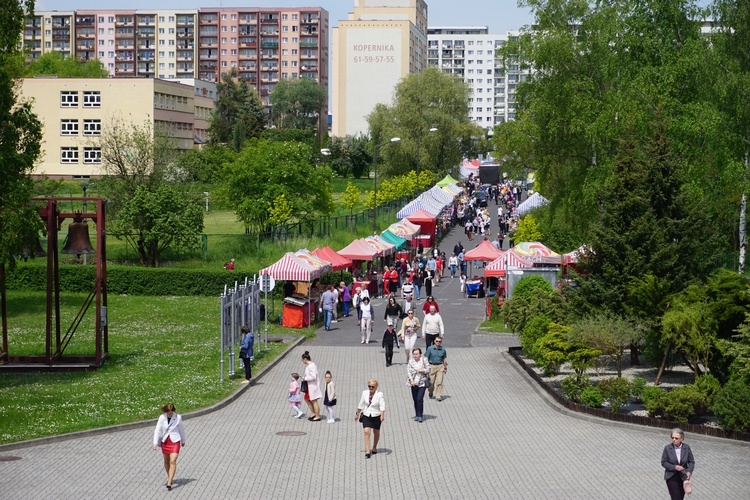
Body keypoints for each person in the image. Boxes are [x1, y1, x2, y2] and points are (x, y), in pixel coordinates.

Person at [152, 403, 185, 491]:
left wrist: (183, 440)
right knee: (166, 462)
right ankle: (170, 476)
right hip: (165, 441)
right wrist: (155, 443)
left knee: (173, 461)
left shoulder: (178, 417)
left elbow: (181, 429)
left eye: (171, 412)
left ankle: (169, 482)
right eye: (168, 412)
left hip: (175, 441)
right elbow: (157, 430)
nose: (170, 413)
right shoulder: (162, 417)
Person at [354, 379, 385, 458]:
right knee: (366, 431)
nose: (370, 388)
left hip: (376, 415)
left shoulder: (380, 394)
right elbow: (361, 403)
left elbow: (382, 405)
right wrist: (357, 413)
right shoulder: (364, 393)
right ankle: (367, 451)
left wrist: (382, 415)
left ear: (376, 387)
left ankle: (374, 447)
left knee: (376, 432)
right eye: (369, 386)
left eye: (372, 387)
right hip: (367, 414)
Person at [662, 428, 695, 500]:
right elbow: (663, 462)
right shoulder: (667, 448)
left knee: (680, 497)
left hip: (683, 476)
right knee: (676, 497)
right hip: (672, 476)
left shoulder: (686, 447)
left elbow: (691, 461)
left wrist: (689, 471)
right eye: (672, 438)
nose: (674, 439)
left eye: (676, 438)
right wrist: (674, 467)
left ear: (682, 438)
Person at [407, 348, 430, 423]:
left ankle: (420, 415)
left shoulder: (424, 360)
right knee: (415, 399)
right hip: (414, 383)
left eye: (417, 354)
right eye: (414, 354)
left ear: (420, 354)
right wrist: (411, 380)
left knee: (420, 399)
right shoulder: (411, 361)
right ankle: (417, 414)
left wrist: (421, 370)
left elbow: (428, 369)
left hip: (422, 382)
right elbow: (409, 372)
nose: (415, 355)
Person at [301, 351, 322, 421]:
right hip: (309, 386)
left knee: (314, 400)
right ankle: (313, 413)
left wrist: (305, 378)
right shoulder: (310, 366)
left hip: (313, 386)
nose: (302, 361)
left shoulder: (312, 366)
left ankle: (317, 415)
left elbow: (313, 377)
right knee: (306, 398)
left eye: (302, 360)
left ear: (305, 359)